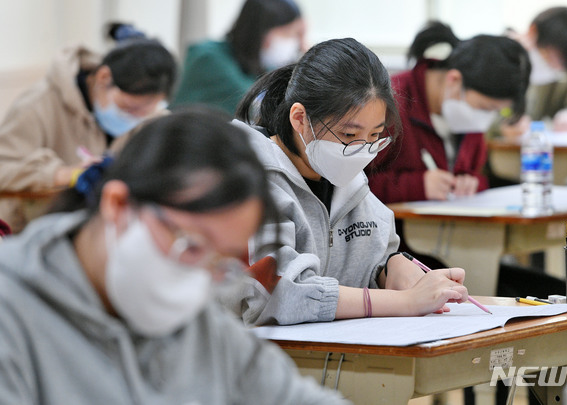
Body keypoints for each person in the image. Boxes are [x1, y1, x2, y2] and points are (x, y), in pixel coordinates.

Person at [0, 108, 349, 404]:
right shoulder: (13, 310)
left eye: (224, 264)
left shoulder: (198, 326)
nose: (199, 279)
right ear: (118, 206)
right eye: (191, 247)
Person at [232, 37, 470, 326]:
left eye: (374, 136)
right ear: (300, 119)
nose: (360, 150)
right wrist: (405, 301)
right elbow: (276, 294)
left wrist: (391, 268)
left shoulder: (346, 179)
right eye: (348, 135)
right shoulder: (248, 180)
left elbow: (377, 253)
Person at [0, 23, 177, 233]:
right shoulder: (37, 105)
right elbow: (4, 167)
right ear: (103, 78)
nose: (138, 118)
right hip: (34, 234)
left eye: (148, 111)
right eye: (129, 108)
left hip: (105, 232)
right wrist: (66, 174)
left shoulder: (153, 118)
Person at [366, 21, 531, 204]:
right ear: (454, 79)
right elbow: (349, 186)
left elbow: (479, 175)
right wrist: (417, 186)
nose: (485, 120)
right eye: (485, 108)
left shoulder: (468, 121)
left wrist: (473, 183)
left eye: (497, 111)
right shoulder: (389, 105)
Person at [171, 0, 306, 115]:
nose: (300, 45)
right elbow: (255, 105)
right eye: (290, 34)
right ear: (261, 32)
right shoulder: (208, 58)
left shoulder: (260, 65)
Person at [493, 6, 567, 139]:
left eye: (563, 65)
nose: (556, 68)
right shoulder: (492, 61)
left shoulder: (563, 74)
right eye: (553, 58)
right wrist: (500, 127)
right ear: (532, 32)